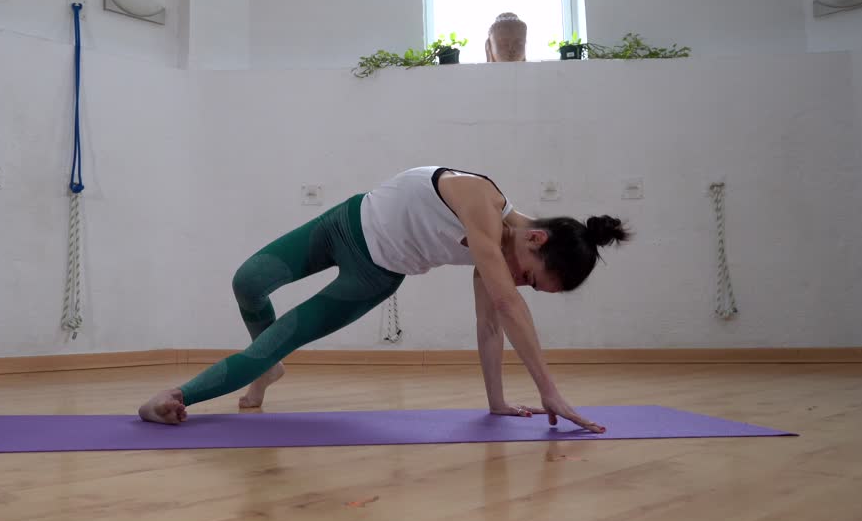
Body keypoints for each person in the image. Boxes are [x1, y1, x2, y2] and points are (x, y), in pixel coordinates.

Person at [138, 167, 630, 433]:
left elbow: (489, 326)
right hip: (340, 223)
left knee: (276, 339)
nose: (519, 285)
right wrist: (550, 390)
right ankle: (265, 372)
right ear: (536, 241)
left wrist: (497, 403)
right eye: (531, 278)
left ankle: (177, 397)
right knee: (247, 281)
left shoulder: (494, 260)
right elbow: (507, 306)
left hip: (372, 277)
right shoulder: (483, 201)